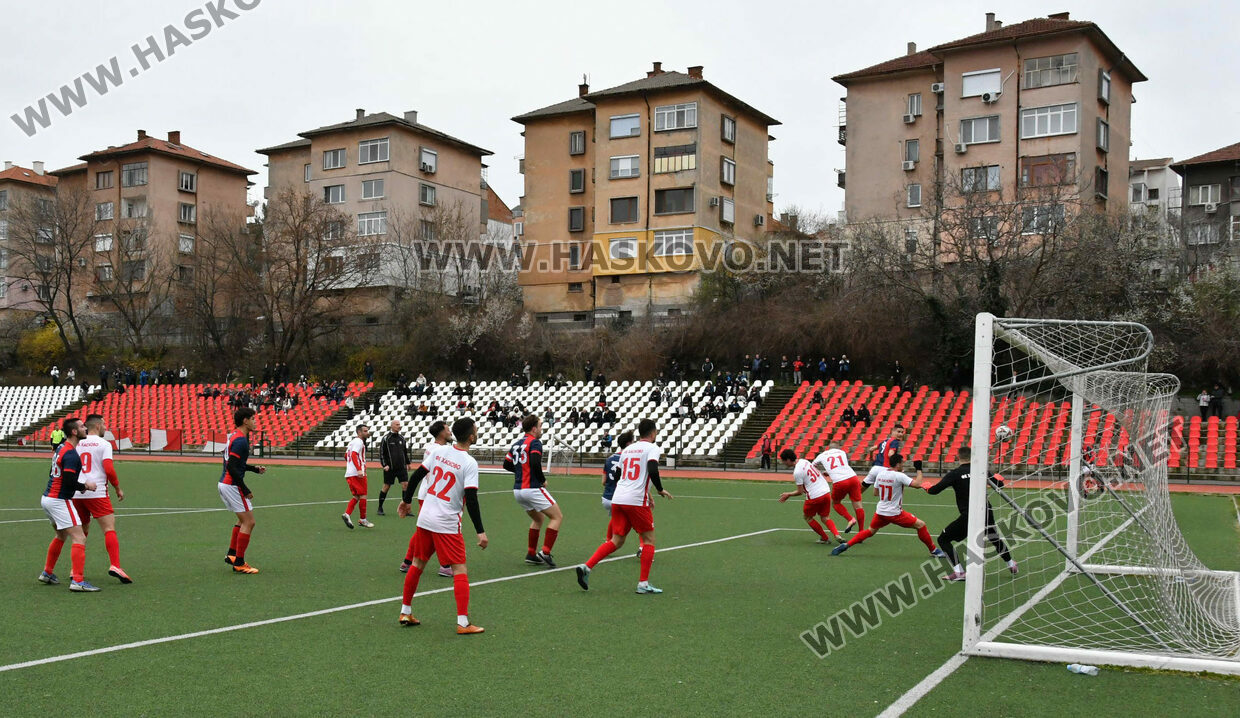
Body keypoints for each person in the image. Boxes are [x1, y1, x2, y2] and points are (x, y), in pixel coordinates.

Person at [395, 417, 487, 634]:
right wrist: (480, 531)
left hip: (426, 517)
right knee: (459, 569)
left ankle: (405, 611)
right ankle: (463, 623)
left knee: (417, 563)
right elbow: (471, 498)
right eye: (475, 430)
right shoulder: (469, 463)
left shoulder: (439, 451)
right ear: (471, 437)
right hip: (447, 522)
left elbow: (416, 476)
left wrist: (406, 500)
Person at [575, 418, 673, 594]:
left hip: (618, 498)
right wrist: (659, 489)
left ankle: (587, 566)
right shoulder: (652, 448)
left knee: (617, 540)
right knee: (649, 540)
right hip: (635, 500)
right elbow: (652, 469)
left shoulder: (627, 450)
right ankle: (643, 584)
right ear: (653, 433)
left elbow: (619, 474)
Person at [926, 447, 1017, 581]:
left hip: (969, 514)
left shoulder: (955, 474)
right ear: (972, 457)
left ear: (958, 457)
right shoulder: (981, 470)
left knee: (943, 539)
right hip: (986, 510)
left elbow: (934, 491)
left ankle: (959, 572)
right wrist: (998, 478)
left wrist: (927, 487)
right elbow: (999, 484)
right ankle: (1011, 564)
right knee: (993, 537)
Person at [831, 454, 944, 557]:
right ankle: (933, 550)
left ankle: (846, 545)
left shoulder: (880, 474)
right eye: (902, 463)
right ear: (898, 464)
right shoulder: (899, 476)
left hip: (881, 511)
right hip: (894, 513)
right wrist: (919, 469)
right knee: (921, 525)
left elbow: (875, 493)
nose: (903, 465)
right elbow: (918, 484)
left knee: (870, 531)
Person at [38, 417, 100, 591]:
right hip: (59, 500)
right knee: (79, 537)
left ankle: (47, 572)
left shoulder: (61, 448)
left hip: (47, 499)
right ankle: (78, 581)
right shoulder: (71, 454)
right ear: (74, 432)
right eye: (81, 426)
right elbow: (68, 481)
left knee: (60, 535)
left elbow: (53, 473)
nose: (85, 428)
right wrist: (86, 486)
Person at [71, 414, 131, 583]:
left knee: (81, 532)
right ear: (97, 426)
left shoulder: (76, 443)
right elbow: (109, 469)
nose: (106, 427)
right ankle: (115, 565)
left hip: (77, 492)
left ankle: (75, 570)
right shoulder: (104, 444)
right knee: (109, 528)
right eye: (104, 424)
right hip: (97, 492)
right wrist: (117, 487)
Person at [503, 415, 563, 568]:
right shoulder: (535, 442)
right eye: (540, 426)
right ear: (534, 428)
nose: (541, 429)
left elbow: (506, 464)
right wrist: (542, 480)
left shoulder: (516, 444)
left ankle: (531, 553)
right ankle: (545, 552)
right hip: (532, 488)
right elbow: (535, 463)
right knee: (557, 517)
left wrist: (521, 471)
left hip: (518, 490)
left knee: (538, 519)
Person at [399, 421, 454, 577]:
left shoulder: (431, 448)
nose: (450, 431)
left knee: (425, 530)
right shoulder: (441, 450)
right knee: (437, 529)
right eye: (447, 429)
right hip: (433, 495)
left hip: (427, 493)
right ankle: (445, 565)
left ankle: (408, 561)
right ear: (441, 433)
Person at [219, 408, 266, 573]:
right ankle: (239, 562)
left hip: (225, 483)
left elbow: (234, 464)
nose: (255, 422)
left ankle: (232, 554)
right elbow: (232, 467)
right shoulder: (241, 441)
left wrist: (254, 469)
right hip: (232, 484)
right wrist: (245, 489)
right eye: (252, 418)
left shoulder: (234, 436)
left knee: (242, 520)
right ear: (245, 421)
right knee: (249, 522)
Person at [778, 449, 843, 544]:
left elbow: (800, 492)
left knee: (807, 517)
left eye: (783, 461)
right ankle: (837, 534)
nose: (783, 463)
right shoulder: (804, 461)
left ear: (788, 460)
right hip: (826, 491)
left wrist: (788, 494)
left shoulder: (797, 472)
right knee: (825, 517)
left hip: (814, 496)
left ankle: (824, 538)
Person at [813, 441, 864, 533]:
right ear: (838, 448)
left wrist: (820, 474)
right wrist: (829, 472)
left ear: (828, 448)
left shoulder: (822, 455)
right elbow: (841, 466)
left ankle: (850, 519)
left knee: (836, 503)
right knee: (858, 505)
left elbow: (813, 466)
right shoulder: (842, 452)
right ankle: (861, 532)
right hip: (853, 478)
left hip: (840, 481)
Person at [342, 424, 374, 529]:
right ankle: (363, 520)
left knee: (356, 496)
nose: (367, 432)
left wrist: (351, 466)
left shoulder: (352, 442)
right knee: (363, 495)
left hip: (349, 473)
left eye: (367, 430)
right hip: (357, 474)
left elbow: (346, 456)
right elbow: (354, 454)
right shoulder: (359, 442)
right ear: (359, 432)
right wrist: (359, 469)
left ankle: (347, 514)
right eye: (365, 431)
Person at [378, 420, 411, 516]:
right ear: (392, 426)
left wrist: (408, 463)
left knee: (405, 485)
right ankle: (380, 507)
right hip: (390, 468)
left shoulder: (402, 438)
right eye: (397, 425)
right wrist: (384, 465)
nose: (399, 426)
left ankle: (405, 509)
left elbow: (404, 452)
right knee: (386, 487)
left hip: (401, 467)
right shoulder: (386, 438)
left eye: (399, 425)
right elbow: (381, 453)